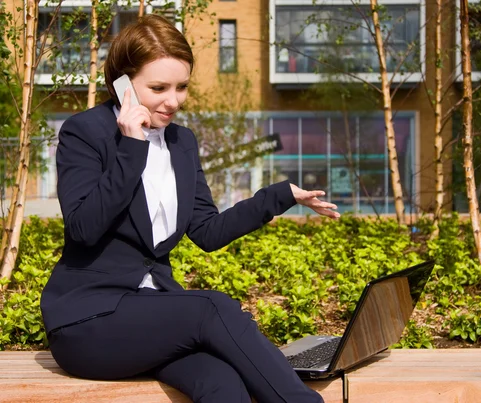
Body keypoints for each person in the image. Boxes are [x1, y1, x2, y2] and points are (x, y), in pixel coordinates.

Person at [40, 14, 339, 403]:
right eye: (159, 87)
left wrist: (279, 196)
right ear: (122, 83)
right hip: (88, 321)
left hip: (152, 318)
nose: (174, 101)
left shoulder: (182, 142)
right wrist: (132, 147)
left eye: (181, 87)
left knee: (221, 382)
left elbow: (207, 232)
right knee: (210, 306)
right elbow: (84, 226)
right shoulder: (86, 132)